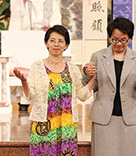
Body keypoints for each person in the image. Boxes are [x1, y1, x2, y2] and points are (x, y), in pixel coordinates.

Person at [13, 25, 95, 155]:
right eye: (52, 40)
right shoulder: (37, 67)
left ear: (66, 45)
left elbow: (82, 95)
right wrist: (23, 81)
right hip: (43, 125)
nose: (56, 44)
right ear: (46, 43)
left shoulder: (72, 69)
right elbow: (30, 95)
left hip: (67, 125)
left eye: (60, 41)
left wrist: (94, 79)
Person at [82, 17, 136, 156]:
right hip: (104, 118)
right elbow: (93, 86)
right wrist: (86, 73)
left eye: (124, 40)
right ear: (109, 37)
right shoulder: (98, 56)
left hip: (131, 119)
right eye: (115, 39)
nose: (119, 43)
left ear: (129, 39)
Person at [8, 0, 62, 111]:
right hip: (27, 41)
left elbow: (57, 21)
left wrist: (50, 26)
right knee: (25, 64)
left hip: (43, 41)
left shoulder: (51, 2)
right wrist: (23, 3)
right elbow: (16, 15)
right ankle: (23, 101)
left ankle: (44, 100)